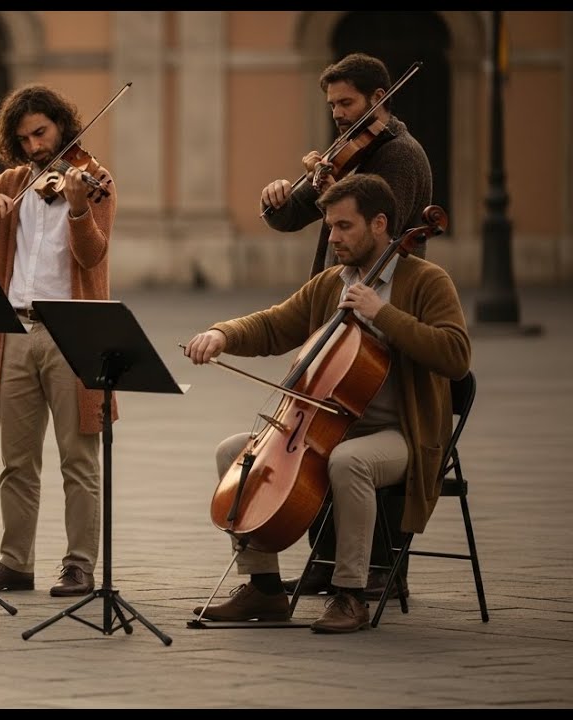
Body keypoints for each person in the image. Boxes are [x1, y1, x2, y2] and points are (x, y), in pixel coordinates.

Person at [184, 173, 470, 633]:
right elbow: (275, 325)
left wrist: (385, 315)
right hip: (327, 428)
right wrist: (223, 334)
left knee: (349, 461)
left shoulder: (426, 281)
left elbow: (456, 356)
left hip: (401, 433)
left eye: (343, 226)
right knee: (233, 452)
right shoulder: (331, 283)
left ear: (380, 224)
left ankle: (350, 593)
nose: (332, 237)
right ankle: (264, 588)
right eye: (330, 227)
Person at [260, 52, 433, 598]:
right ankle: (326, 556)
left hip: (378, 310)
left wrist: (338, 179)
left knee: (350, 428)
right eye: (332, 103)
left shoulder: (400, 156)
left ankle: (379, 566)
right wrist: (278, 198)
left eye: (346, 102)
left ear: (377, 98)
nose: (337, 113)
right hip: (334, 306)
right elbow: (292, 217)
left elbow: (380, 236)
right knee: (321, 426)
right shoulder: (345, 153)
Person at [0, 84, 117, 597]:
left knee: (78, 459)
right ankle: (15, 562)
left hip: (72, 332)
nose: (36, 147)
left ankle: (79, 564)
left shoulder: (95, 179)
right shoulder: (15, 181)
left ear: (62, 125)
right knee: (17, 461)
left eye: (41, 133)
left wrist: (80, 207)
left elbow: (92, 257)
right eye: (24, 139)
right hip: (14, 331)